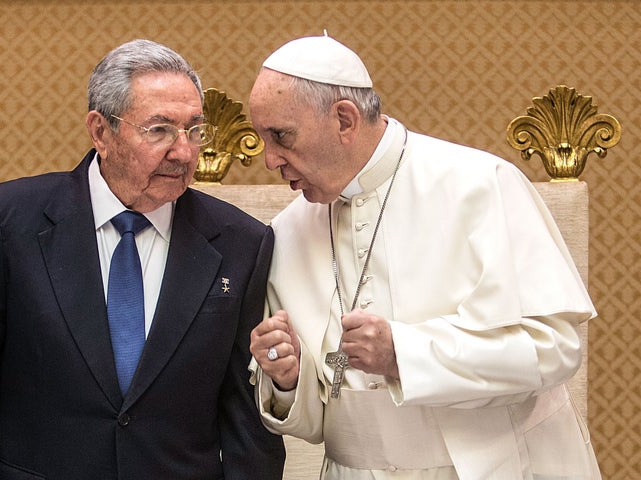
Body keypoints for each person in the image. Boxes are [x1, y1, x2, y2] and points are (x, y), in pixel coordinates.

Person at [248, 34, 601, 479]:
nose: (269, 159)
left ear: (344, 119)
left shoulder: (479, 184)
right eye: (261, 138)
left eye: (281, 136)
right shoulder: (288, 231)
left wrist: (403, 354)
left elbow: (555, 349)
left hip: (494, 467)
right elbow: (319, 419)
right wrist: (288, 377)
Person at [0, 39, 284, 479]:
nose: (184, 152)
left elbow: (247, 420)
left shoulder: (241, 242)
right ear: (100, 131)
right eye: (159, 129)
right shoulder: (9, 220)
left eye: (194, 130)